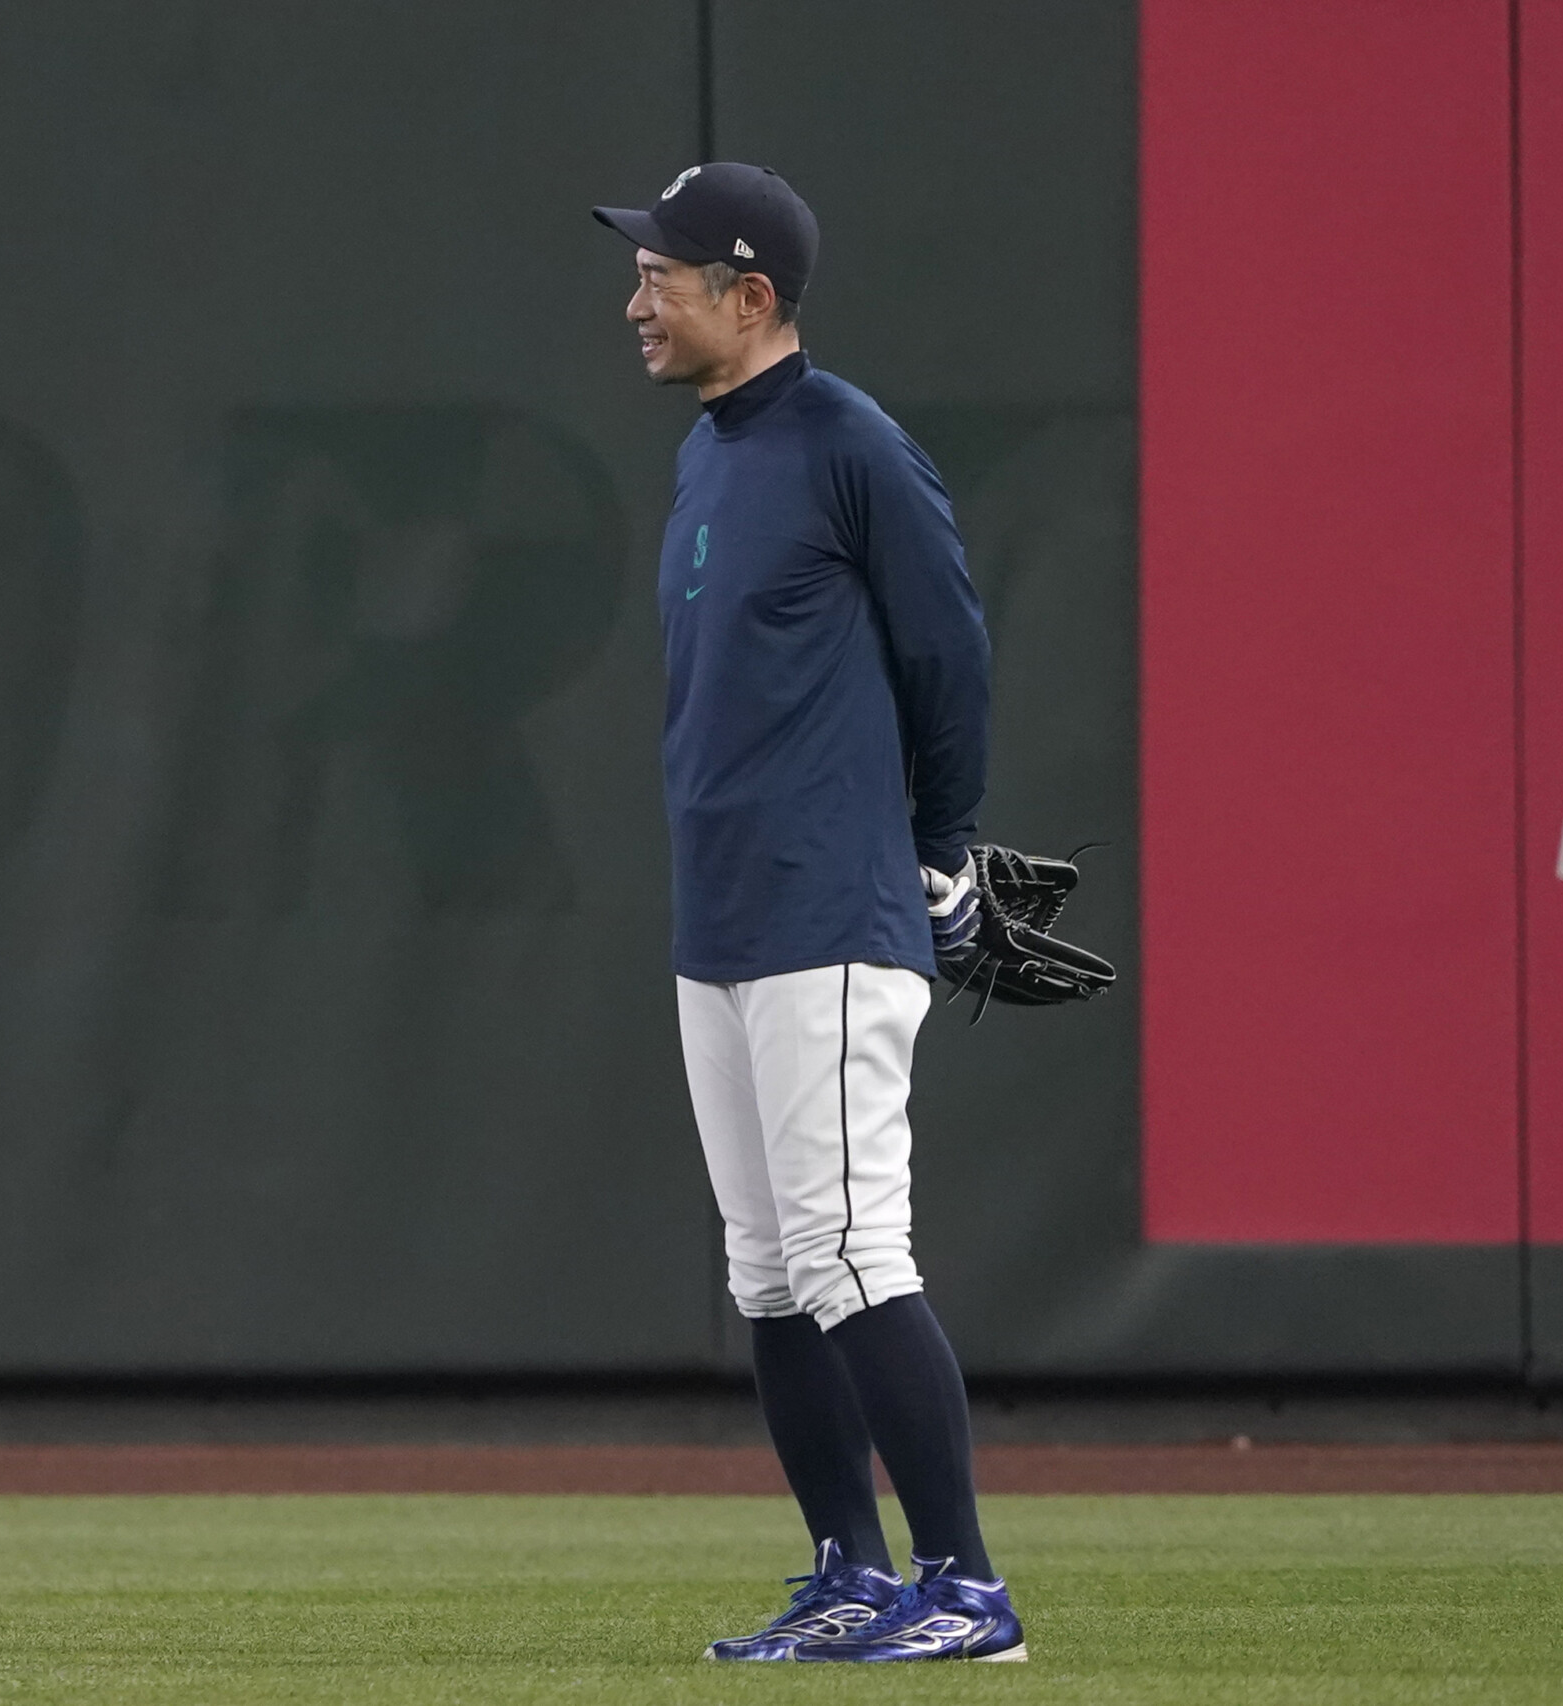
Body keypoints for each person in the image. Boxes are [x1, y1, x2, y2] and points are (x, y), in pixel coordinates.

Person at [594, 163, 1024, 1664]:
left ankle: (967, 1584)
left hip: (832, 912)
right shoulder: (715, 454)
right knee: (768, 1269)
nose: (635, 296)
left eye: (661, 272)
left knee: (851, 1252)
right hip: (722, 919)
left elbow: (949, 656)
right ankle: (849, 1566)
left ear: (750, 294)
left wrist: (943, 852)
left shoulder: (851, 444)